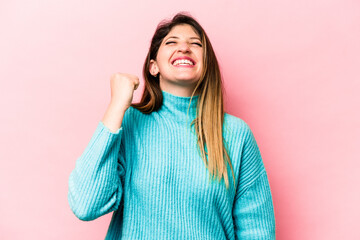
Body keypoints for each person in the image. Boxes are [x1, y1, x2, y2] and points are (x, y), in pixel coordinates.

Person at [68, 12, 276, 239]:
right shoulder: (128, 123)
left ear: (207, 65)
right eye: (172, 42)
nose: (184, 48)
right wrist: (117, 106)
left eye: (195, 44)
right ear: (153, 67)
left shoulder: (236, 135)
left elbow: (258, 231)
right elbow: (85, 204)